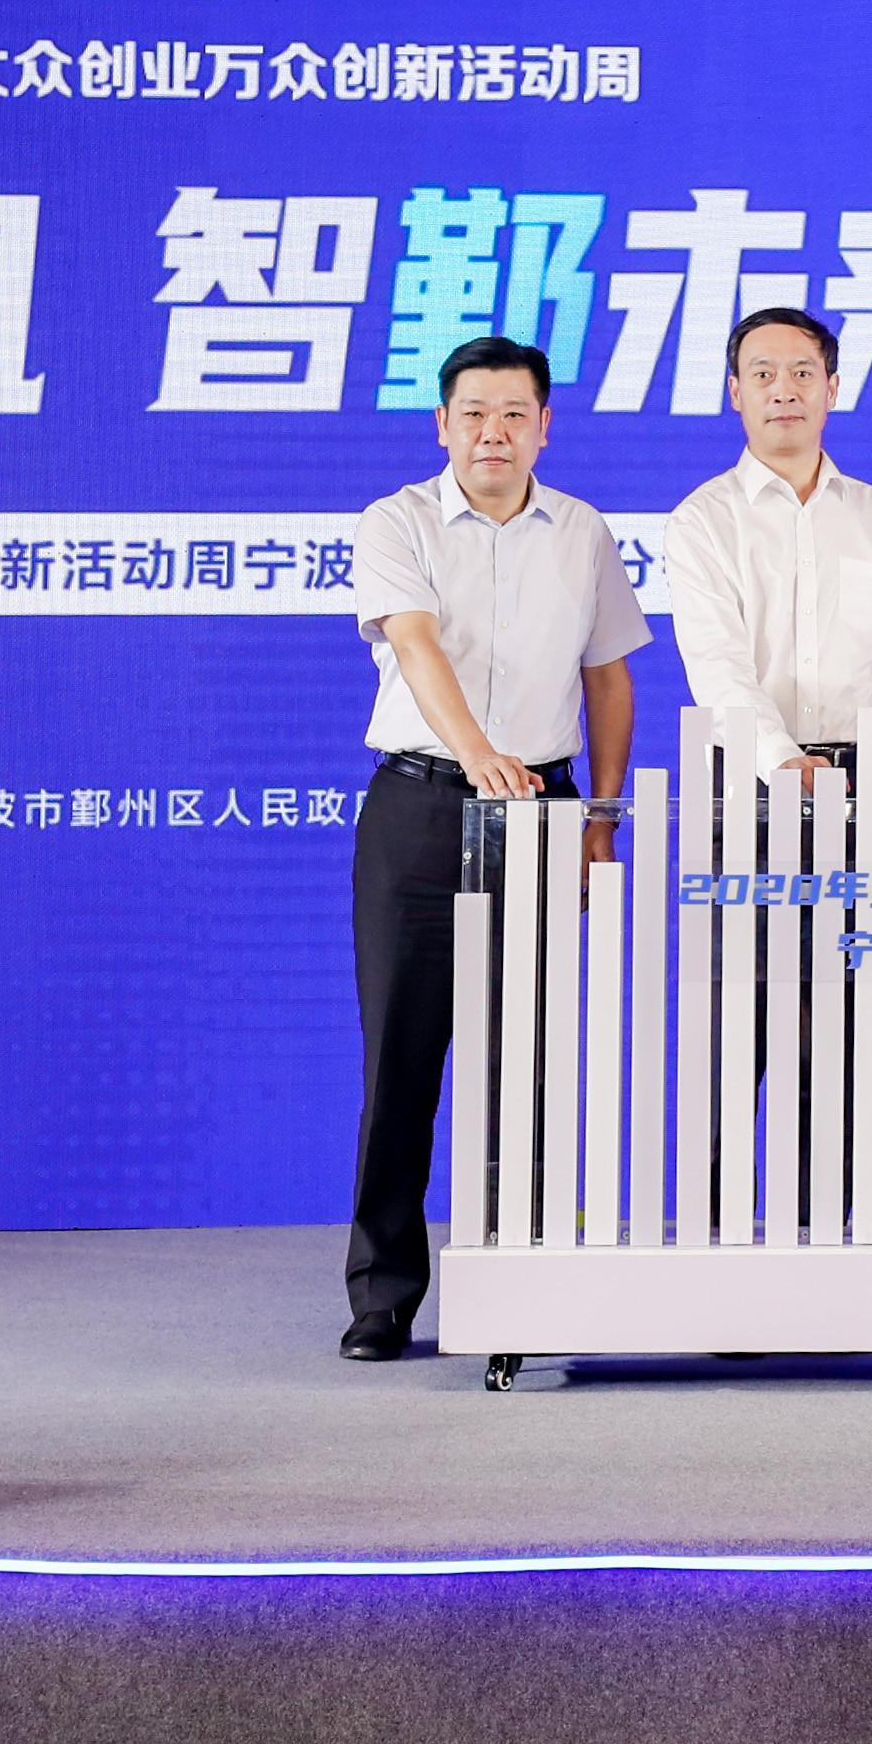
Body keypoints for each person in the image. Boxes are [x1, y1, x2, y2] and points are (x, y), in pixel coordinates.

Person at [337, 332, 648, 1361]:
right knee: (401, 1060)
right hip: (421, 807)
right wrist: (477, 755)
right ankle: (383, 1294)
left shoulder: (583, 532)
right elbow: (414, 641)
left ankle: (526, 1286)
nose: (493, 432)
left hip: (545, 811)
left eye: (515, 414)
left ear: (544, 427)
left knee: (531, 1062)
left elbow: (608, 677)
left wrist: (601, 817)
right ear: (443, 423)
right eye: (473, 413)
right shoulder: (397, 520)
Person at [664, 304, 872, 793]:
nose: (784, 391)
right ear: (736, 392)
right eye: (763, 374)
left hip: (866, 779)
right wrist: (781, 758)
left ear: (831, 389)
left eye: (803, 373)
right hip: (751, 776)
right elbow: (716, 665)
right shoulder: (702, 520)